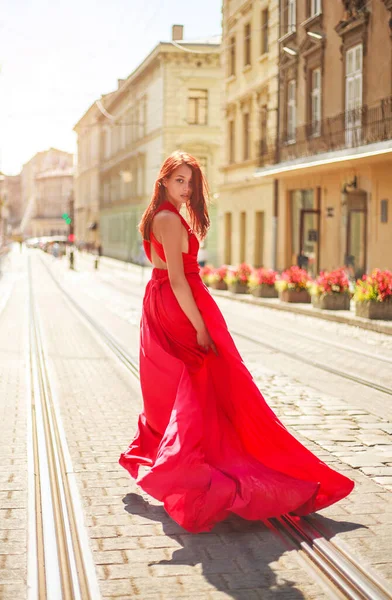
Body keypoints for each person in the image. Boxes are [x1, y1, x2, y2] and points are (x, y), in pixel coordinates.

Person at [119, 151, 354, 533]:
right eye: (179, 180)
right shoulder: (168, 219)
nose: (186, 189)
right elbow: (179, 280)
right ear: (163, 181)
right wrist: (199, 325)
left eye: (190, 183)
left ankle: (187, 456)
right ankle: (205, 466)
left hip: (164, 301)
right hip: (183, 305)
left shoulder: (158, 217)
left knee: (194, 387)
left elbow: (168, 277)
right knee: (210, 385)